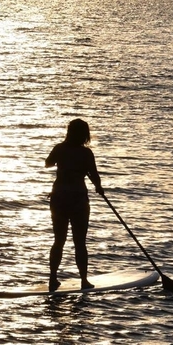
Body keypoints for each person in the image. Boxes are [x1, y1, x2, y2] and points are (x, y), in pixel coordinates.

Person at [45, 119, 104, 292]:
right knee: (80, 242)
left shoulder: (59, 149)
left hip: (59, 199)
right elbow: (94, 175)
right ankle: (84, 280)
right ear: (84, 134)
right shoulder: (86, 153)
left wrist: (61, 163)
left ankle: (53, 278)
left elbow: (47, 163)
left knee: (59, 240)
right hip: (78, 200)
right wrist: (99, 188)